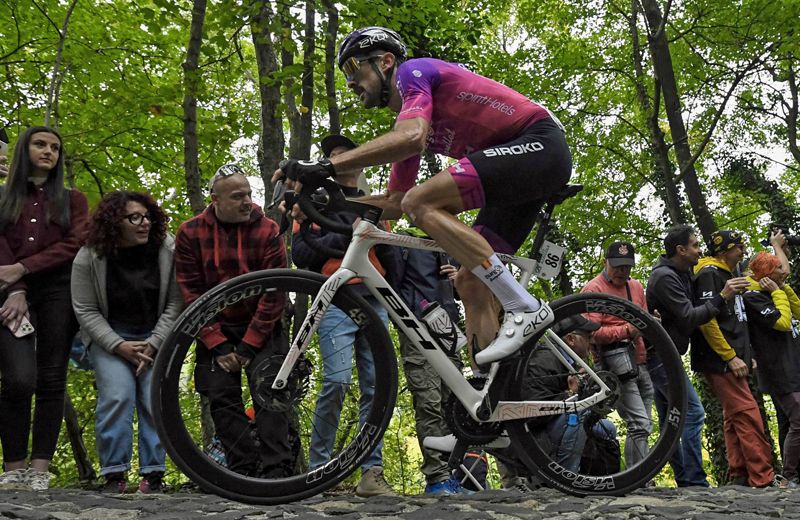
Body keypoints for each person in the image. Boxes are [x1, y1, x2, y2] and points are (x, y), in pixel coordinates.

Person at [274, 26, 572, 369]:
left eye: (354, 67)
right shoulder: (414, 121)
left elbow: (411, 141)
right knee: (468, 279)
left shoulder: (414, 72)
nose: (350, 82)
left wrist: (324, 167)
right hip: (517, 170)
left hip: (539, 144)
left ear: (386, 61)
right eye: (345, 74)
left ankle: (523, 305)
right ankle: (490, 396)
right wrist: (332, 202)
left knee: (422, 201)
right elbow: (396, 203)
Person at [291, 134, 394, 497]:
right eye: (333, 155)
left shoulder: (377, 203)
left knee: (376, 387)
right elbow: (301, 254)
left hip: (376, 300)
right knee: (336, 381)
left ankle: (372, 471)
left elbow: (389, 251)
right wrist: (347, 240)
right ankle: (320, 471)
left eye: (346, 153)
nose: (341, 158)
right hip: (335, 298)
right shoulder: (314, 202)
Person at [174, 163, 293, 478]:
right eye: (238, 196)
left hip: (263, 324)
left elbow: (275, 291)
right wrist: (219, 343)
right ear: (215, 199)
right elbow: (191, 292)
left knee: (270, 393)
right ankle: (241, 470)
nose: (247, 202)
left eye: (249, 194)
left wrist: (248, 348)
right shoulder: (189, 233)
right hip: (216, 326)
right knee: (221, 397)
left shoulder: (267, 229)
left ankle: (277, 470)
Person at [71, 191, 184, 493]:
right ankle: (114, 474)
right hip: (111, 340)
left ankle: (153, 474)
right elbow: (85, 308)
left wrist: (155, 342)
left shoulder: (167, 250)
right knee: (117, 396)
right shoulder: (90, 256)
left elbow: (176, 303)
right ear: (113, 223)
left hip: (153, 339)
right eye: (134, 217)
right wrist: (117, 345)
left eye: (147, 217)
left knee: (152, 399)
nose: (143, 223)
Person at [0, 126, 88, 490]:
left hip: (57, 291)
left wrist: (25, 267)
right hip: (8, 294)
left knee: (52, 377)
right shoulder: (3, 197)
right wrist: (16, 286)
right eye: (40, 144)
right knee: (18, 377)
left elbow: (77, 241)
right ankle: (13, 466)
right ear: (25, 149)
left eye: (54, 147)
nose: (48, 151)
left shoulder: (73, 199)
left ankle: (39, 469)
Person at [646, 225, 748, 487]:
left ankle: (684, 477)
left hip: (665, 355)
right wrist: (722, 296)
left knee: (671, 422)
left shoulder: (681, 273)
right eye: (694, 245)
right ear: (680, 250)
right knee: (693, 413)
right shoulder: (665, 278)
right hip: (660, 357)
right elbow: (690, 316)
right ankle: (694, 481)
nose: (699, 249)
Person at [692, 230, 777, 488]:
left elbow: (735, 319)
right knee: (748, 414)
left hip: (733, 358)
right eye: (738, 247)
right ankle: (763, 478)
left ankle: (739, 475)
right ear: (723, 250)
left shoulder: (730, 275)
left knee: (733, 416)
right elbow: (707, 322)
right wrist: (730, 357)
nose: (742, 251)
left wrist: (745, 355)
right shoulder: (709, 274)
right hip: (719, 360)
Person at [389, 230, 471, 495]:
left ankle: (452, 476)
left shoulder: (450, 244)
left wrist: (458, 278)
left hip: (448, 328)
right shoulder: (404, 241)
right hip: (417, 327)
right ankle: (436, 478)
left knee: (454, 404)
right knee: (429, 402)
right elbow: (391, 285)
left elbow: (463, 294)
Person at [581, 241, 654, 470]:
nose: (623, 271)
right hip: (615, 366)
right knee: (639, 424)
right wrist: (625, 330)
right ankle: (639, 476)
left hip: (640, 361)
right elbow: (590, 334)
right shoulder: (593, 289)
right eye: (617, 266)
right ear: (605, 263)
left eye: (626, 267)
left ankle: (638, 474)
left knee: (645, 425)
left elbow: (644, 319)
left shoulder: (637, 287)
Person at [741, 245, 800, 488]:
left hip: (793, 366)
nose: (784, 272)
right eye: (778, 269)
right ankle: (790, 476)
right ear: (766, 274)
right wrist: (777, 293)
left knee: (789, 422)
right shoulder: (753, 297)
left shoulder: (778, 289)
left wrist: (784, 290)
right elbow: (783, 323)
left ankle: (792, 474)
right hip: (778, 370)